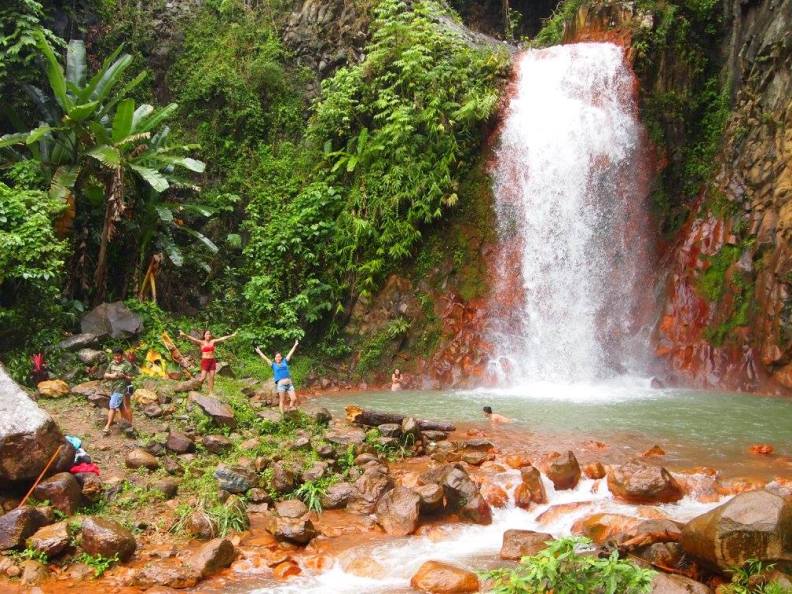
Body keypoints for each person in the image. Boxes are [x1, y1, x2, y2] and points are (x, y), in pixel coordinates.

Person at [179, 329, 237, 394]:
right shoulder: (201, 342)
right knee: (203, 377)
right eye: (207, 334)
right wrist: (184, 335)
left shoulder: (213, 341)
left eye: (209, 334)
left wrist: (232, 335)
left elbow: (222, 338)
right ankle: (193, 386)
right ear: (204, 335)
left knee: (212, 377)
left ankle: (211, 392)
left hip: (212, 361)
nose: (208, 335)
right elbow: (193, 339)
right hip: (205, 361)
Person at [256, 340, 299, 414]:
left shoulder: (284, 361)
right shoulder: (273, 365)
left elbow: (290, 353)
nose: (278, 358)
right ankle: (282, 416)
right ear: (275, 358)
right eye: (276, 357)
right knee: (282, 400)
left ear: (281, 357)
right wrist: (259, 352)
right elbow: (265, 358)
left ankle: (289, 410)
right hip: (281, 385)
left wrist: (295, 345)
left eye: (279, 356)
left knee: (294, 399)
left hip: (289, 384)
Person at [103, 348, 135, 435]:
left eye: (118, 355)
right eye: (115, 355)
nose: (116, 357)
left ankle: (107, 426)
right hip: (114, 388)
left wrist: (124, 376)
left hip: (124, 388)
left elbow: (131, 378)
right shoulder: (112, 363)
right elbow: (105, 375)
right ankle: (126, 424)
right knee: (121, 407)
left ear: (122, 355)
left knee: (113, 406)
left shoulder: (127, 364)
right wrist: (112, 375)